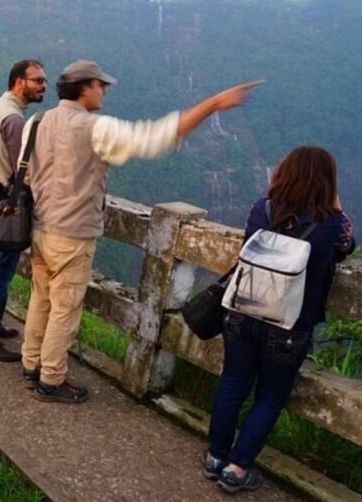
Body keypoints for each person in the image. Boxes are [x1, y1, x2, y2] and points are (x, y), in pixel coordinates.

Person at [20, 60, 261, 403]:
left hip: (40, 228)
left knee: (41, 298)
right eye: (100, 85)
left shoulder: (37, 121)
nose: (104, 90)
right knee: (65, 308)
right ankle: (51, 379)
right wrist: (214, 104)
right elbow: (156, 138)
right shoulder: (95, 128)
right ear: (84, 87)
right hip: (72, 234)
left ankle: (31, 364)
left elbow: (25, 172)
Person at [203, 146, 355, 493]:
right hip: (288, 327)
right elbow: (348, 247)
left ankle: (215, 458)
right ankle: (237, 470)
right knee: (269, 398)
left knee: (233, 385)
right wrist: (333, 200)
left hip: (241, 314)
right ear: (327, 183)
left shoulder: (262, 208)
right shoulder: (334, 225)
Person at [0, 60, 47, 362]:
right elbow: (23, 168)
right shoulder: (15, 120)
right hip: (7, 203)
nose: (43, 86)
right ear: (20, 81)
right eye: (37, 80)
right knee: (0, 274)